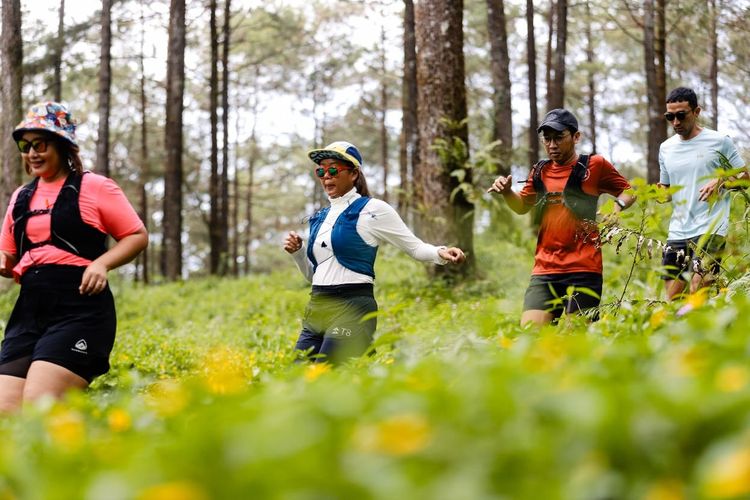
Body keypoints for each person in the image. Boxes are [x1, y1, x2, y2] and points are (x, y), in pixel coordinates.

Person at [0, 101, 148, 412]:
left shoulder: (95, 187)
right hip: (29, 311)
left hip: (80, 308)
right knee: (5, 413)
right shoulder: (20, 197)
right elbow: (9, 256)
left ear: (62, 144)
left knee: (39, 406)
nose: (32, 153)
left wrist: (101, 263)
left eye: (40, 144)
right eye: (25, 146)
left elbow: (137, 236)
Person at [283, 141, 465, 363]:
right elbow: (316, 276)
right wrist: (299, 253)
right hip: (318, 306)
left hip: (352, 305)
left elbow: (414, 247)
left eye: (333, 169)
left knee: (328, 376)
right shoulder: (319, 218)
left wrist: (441, 252)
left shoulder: (373, 210)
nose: (326, 176)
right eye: (321, 170)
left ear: (353, 174)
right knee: (296, 379)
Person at [488, 108, 634, 326]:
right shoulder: (539, 171)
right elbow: (521, 207)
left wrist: (616, 208)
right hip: (545, 269)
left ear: (576, 137)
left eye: (559, 138)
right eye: (547, 139)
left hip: (584, 268)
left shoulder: (594, 165)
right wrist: (507, 192)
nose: (552, 145)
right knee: (530, 333)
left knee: (574, 341)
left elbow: (628, 191)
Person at [657, 87, 748, 301]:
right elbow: (665, 190)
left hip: (711, 227)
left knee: (698, 292)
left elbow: (745, 178)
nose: (676, 122)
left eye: (681, 115)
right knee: (673, 300)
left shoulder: (719, 141)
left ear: (696, 112)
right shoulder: (666, 148)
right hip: (678, 231)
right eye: (670, 116)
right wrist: (652, 193)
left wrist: (722, 181)